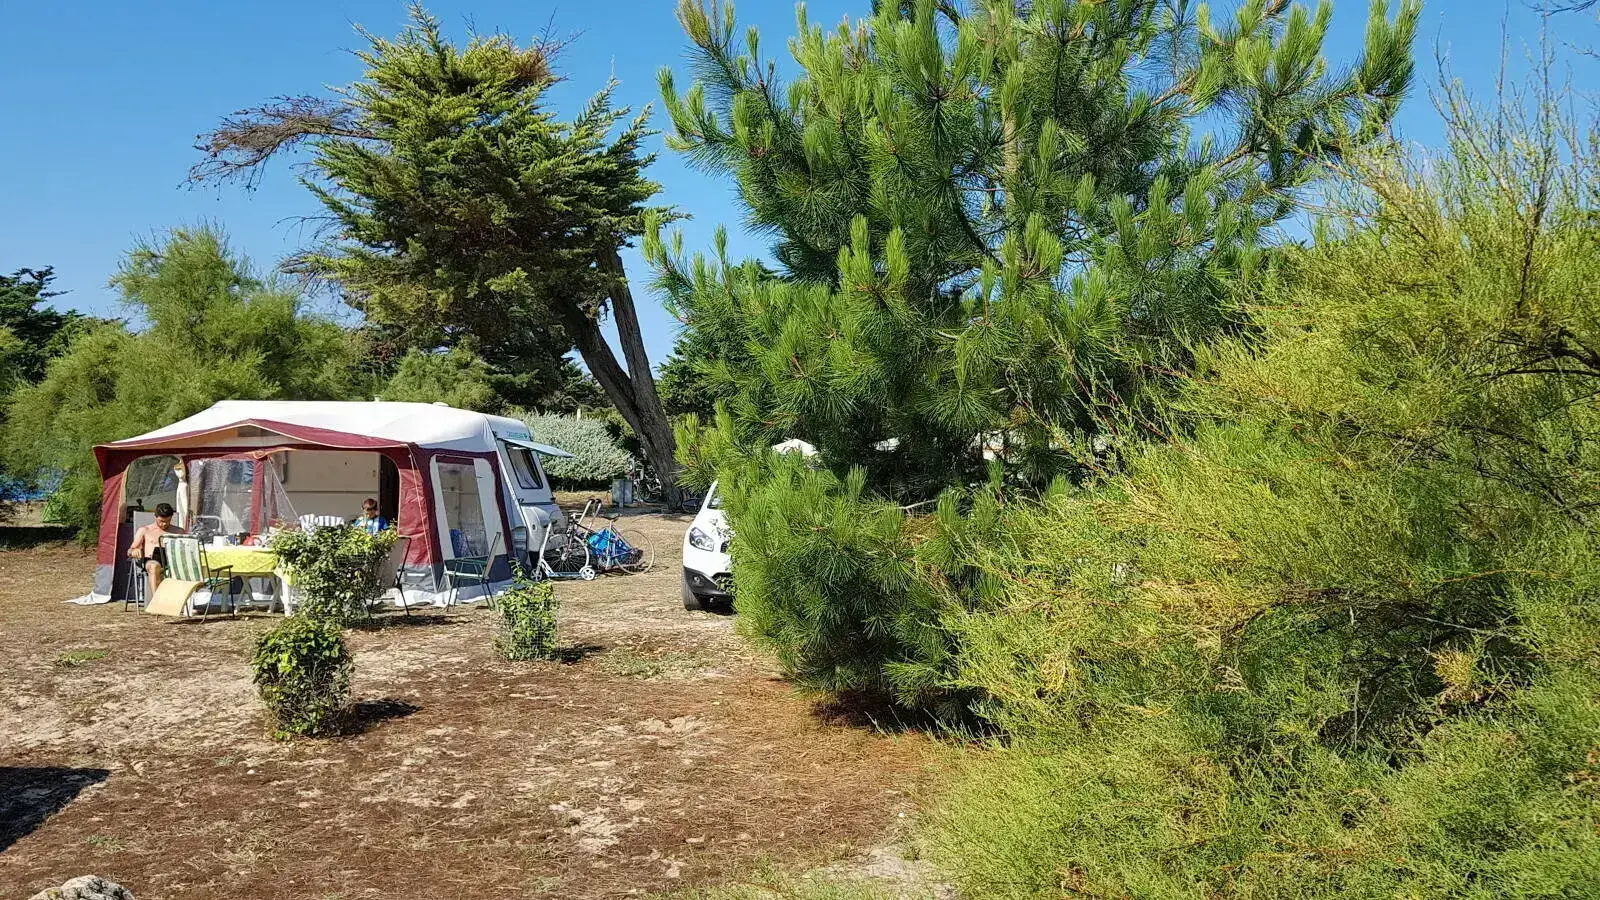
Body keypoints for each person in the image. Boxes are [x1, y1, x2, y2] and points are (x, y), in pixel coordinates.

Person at [126, 502, 185, 591]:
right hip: (152, 561)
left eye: (168, 521)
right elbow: (130, 550)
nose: (164, 524)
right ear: (155, 516)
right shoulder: (145, 530)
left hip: (173, 562)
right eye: (161, 521)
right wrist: (134, 551)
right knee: (154, 566)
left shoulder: (179, 532)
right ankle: (156, 598)